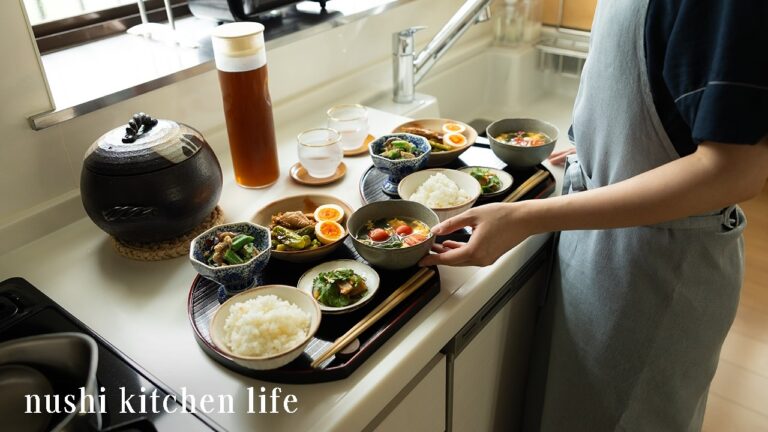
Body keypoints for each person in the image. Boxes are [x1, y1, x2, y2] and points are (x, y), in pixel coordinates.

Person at [419, 0, 768, 430]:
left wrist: (526, 217)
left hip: (653, 275)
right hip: (606, 257)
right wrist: (597, 144)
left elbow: (735, 170)